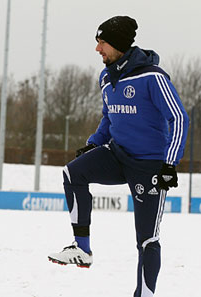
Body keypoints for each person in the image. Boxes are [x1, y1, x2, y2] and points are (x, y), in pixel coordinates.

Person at [47, 16, 189, 297]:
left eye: (102, 42)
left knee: (147, 239)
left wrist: (170, 163)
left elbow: (179, 118)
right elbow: (109, 118)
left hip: (149, 166)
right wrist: (93, 143)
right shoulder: (106, 77)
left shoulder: (153, 77)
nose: (98, 49)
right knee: (73, 173)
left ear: (120, 45)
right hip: (117, 154)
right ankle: (82, 248)